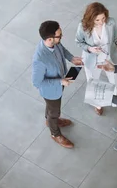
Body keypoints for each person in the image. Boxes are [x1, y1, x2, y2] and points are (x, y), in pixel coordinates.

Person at [32, 20, 83, 149]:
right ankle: (55, 133)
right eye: (59, 35)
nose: (61, 37)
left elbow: (62, 49)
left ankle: (49, 120)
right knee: (55, 111)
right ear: (50, 39)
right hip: (51, 90)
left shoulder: (55, 43)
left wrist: (71, 58)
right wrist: (60, 81)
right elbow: (37, 82)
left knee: (51, 109)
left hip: (60, 83)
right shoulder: (40, 59)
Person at [75, 2, 117, 116]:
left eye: (103, 18)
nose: (101, 22)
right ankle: (97, 105)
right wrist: (90, 49)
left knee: (115, 80)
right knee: (93, 82)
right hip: (92, 59)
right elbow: (78, 42)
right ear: (90, 19)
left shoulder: (111, 22)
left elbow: (115, 38)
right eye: (97, 20)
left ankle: (116, 101)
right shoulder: (83, 27)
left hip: (109, 57)